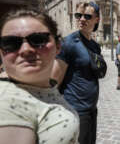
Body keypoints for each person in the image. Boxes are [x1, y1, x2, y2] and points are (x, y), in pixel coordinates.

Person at [0, 9, 79, 144]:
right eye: (10, 43)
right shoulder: (7, 101)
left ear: (58, 46)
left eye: (38, 39)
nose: (26, 49)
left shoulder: (45, 86)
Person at [52, 1, 102, 144]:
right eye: (78, 15)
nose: (81, 19)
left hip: (92, 109)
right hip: (75, 110)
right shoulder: (69, 43)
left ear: (96, 19)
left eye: (87, 16)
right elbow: (55, 81)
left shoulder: (95, 46)